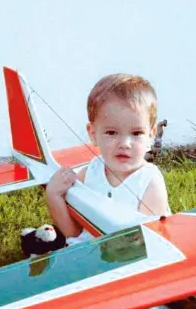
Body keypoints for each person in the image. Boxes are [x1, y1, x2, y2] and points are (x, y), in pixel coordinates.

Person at [45, 73, 170, 242]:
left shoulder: (150, 183)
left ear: (151, 134)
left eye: (137, 133)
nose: (125, 143)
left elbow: (149, 244)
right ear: (93, 134)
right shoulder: (88, 174)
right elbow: (74, 234)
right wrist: (54, 196)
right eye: (111, 132)